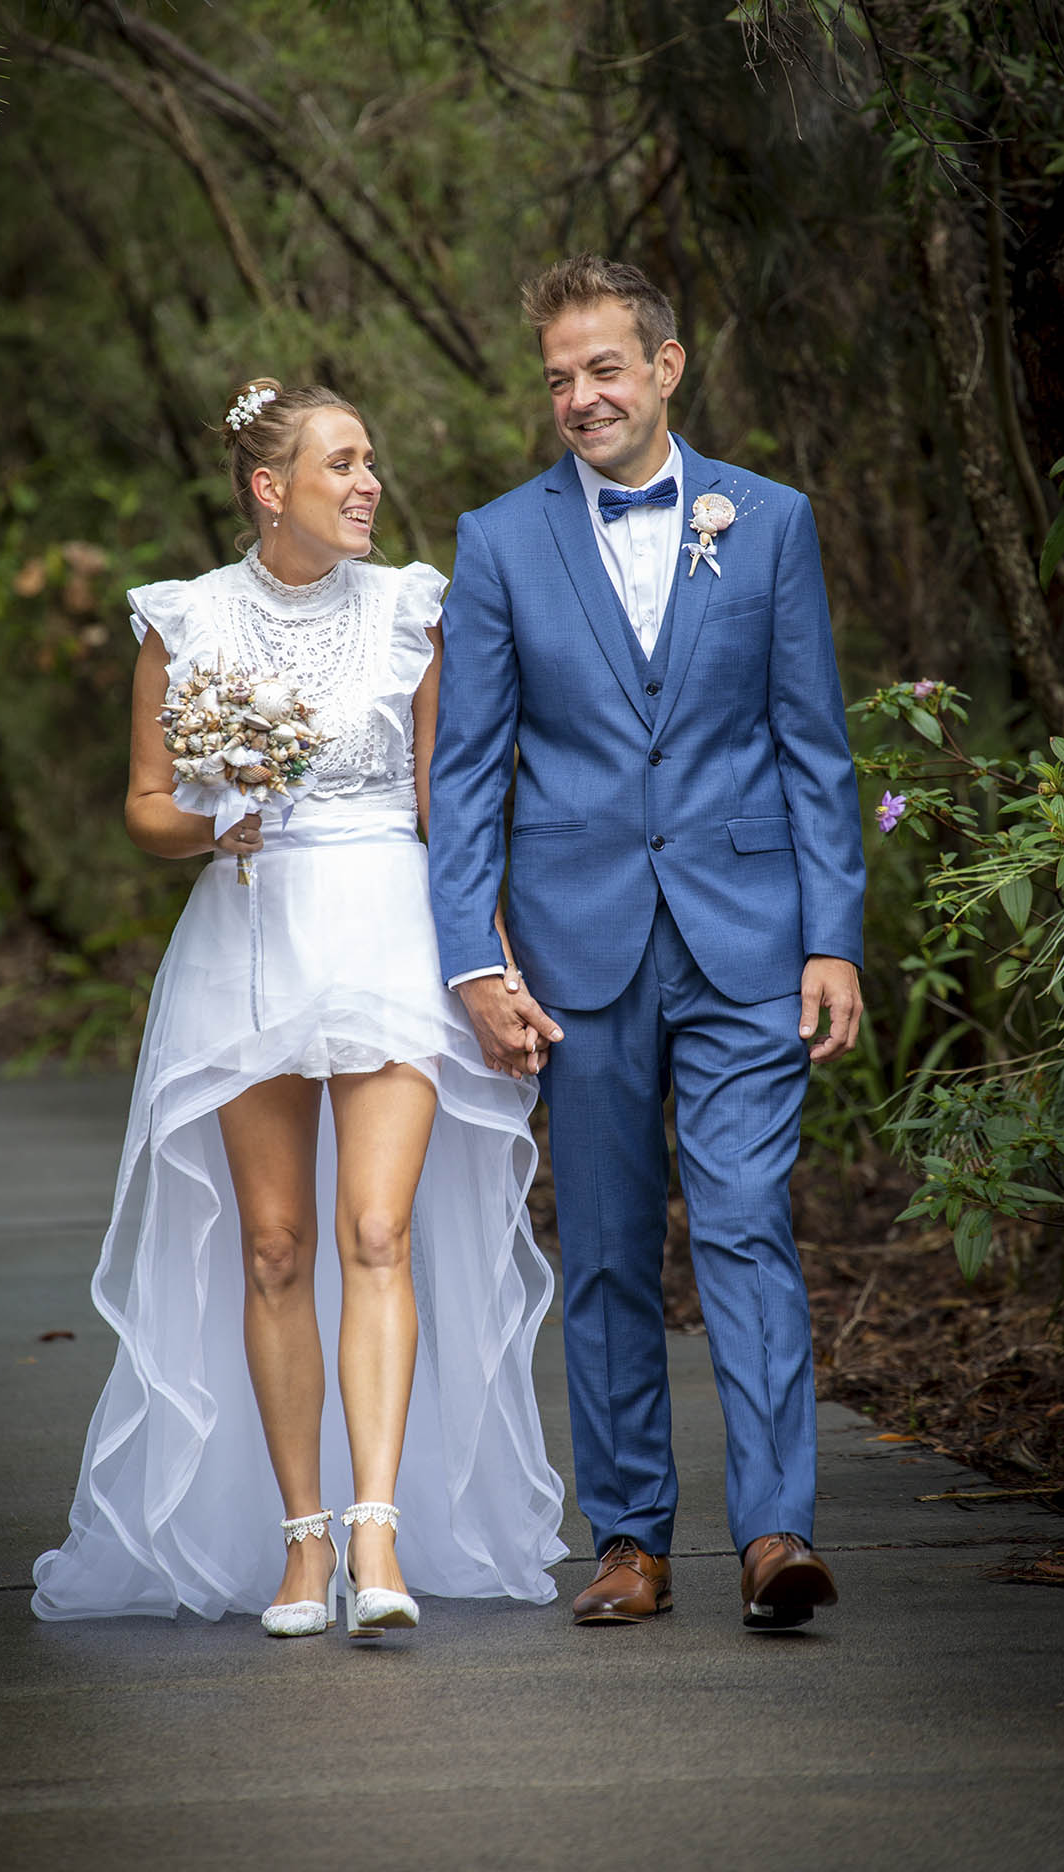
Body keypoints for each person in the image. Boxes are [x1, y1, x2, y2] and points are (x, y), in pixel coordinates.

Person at [32, 379, 565, 1637]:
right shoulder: (188, 618)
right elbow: (148, 805)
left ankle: (380, 1531)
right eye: (343, 462)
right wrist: (221, 812)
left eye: (372, 459)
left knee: (377, 1229)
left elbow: (450, 804)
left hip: (386, 927)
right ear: (272, 489)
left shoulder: (411, 607)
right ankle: (302, 1541)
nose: (370, 481)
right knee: (274, 1246)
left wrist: (487, 965)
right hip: (252, 936)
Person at [428, 256, 865, 1630]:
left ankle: (774, 1533)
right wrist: (473, 961)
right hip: (575, 953)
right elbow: (466, 774)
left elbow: (812, 746)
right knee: (610, 1248)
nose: (578, 397)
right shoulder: (497, 542)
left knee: (742, 1223)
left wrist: (833, 936)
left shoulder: (770, 522)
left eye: (603, 369)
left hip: (747, 942)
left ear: (666, 367)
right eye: (557, 377)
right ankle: (626, 1539)